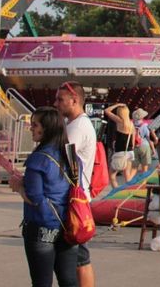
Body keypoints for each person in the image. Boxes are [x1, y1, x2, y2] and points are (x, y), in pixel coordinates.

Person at [9, 107, 78, 287]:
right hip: (69, 224)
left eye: (35, 125)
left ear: (47, 128)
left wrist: (18, 187)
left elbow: (35, 199)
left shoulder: (38, 158)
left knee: (41, 282)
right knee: (69, 280)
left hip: (42, 226)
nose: (31, 128)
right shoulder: (71, 154)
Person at [54, 82, 96, 287]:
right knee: (78, 258)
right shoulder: (77, 124)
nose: (56, 104)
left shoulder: (77, 127)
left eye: (60, 100)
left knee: (80, 259)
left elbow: (61, 159)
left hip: (74, 199)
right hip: (77, 196)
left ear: (75, 100)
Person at [104, 103, 136, 188]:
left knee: (112, 176)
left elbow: (106, 111)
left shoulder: (120, 121)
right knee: (127, 176)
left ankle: (116, 191)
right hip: (130, 152)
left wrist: (117, 105)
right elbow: (133, 139)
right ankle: (130, 191)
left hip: (120, 152)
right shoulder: (131, 124)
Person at [132, 108, 153, 174]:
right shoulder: (145, 125)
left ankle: (130, 181)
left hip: (134, 146)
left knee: (134, 167)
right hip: (144, 146)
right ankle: (143, 182)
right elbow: (148, 138)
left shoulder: (132, 125)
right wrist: (153, 149)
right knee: (145, 167)